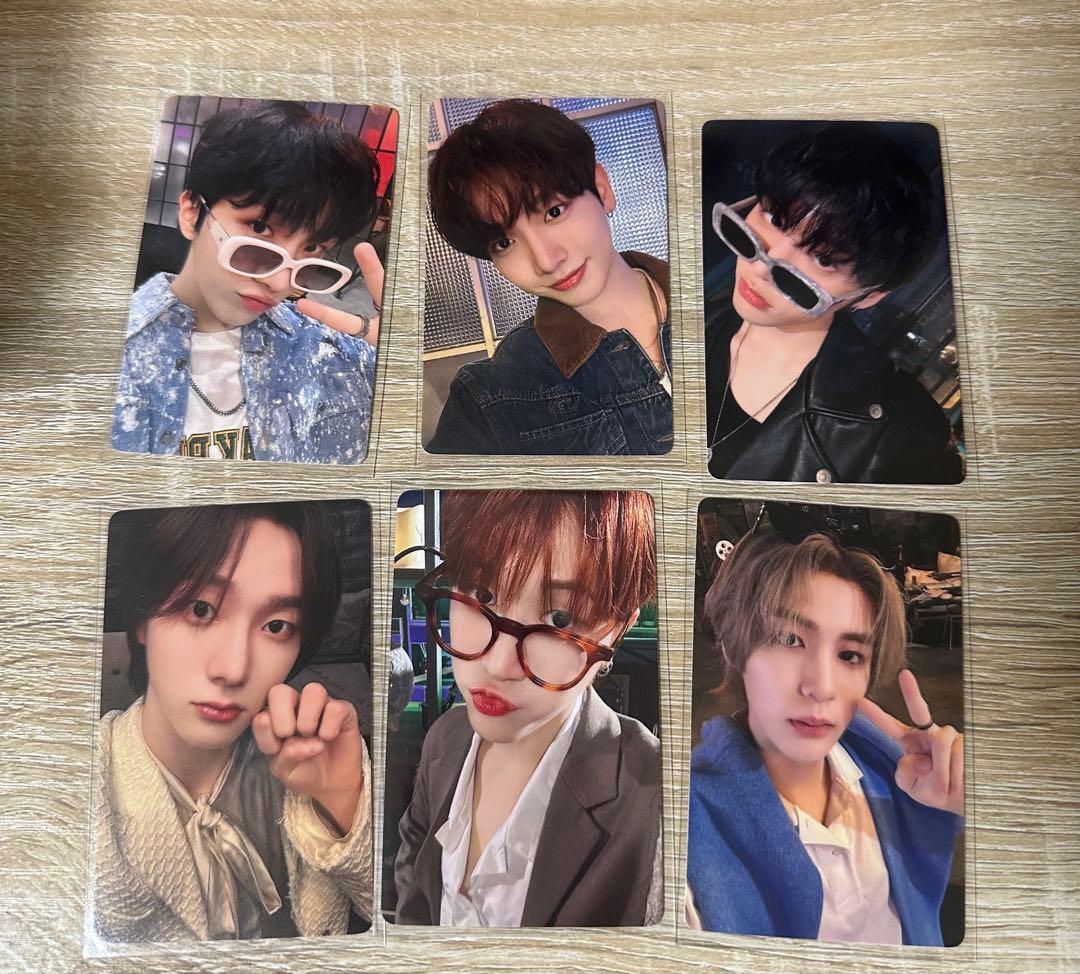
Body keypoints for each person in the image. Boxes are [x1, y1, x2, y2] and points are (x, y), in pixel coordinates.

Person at [90, 503, 372, 944]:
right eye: (201, 609)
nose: (234, 669)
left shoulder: (316, 760)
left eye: (276, 625)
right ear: (143, 618)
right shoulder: (77, 783)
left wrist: (344, 803)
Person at [686, 512, 964, 945]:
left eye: (850, 655)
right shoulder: (685, 822)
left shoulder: (895, 776)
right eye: (789, 640)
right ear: (734, 647)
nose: (822, 687)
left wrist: (966, 797)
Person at [393, 490, 662, 926]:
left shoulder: (655, 799)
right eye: (482, 593)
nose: (499, 664)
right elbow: (413, 897)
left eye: (559, 619)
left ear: (618, 629)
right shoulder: (445, 738)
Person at [111, 101, 386, 464]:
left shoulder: (332, 353)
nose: (280, 282)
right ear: (192, 212)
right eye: (260, 227)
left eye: (312, 247)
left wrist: (397, 359)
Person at [704, 121, 963, 483]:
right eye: (774, 217)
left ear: (871, 294)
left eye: (824, 258)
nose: (762, 267)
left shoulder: (898, 438)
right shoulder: (686, 327)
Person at [424, 100, 672, 456]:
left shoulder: (723, 298)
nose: (545, 259)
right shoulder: (494, 394)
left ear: (601, 189)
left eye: (553, 211)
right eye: (504, 242)